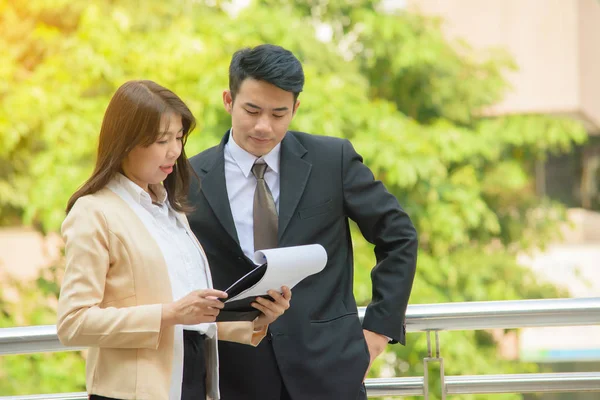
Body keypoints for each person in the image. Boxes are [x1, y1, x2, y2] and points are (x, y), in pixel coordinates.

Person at [187, 44, 418, 400]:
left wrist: (378, 330)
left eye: (279, 114)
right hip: (235, 375)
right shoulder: (189, 179)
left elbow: (399, 236)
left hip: (331, 369)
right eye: (252, 110)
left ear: (296, 108)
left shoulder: (332, 160)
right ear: (228, 101)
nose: (264, 126)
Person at [56, 80, 292, 400]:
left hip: (190, 383)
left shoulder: (171, 210)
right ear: (125, 142)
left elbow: (188, 324)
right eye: (161, 140)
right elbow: (73, 324)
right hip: (133, 393)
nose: (175, 151)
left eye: (179, 137)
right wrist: (170, 314)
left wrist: (256, 319)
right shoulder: (94, 212)